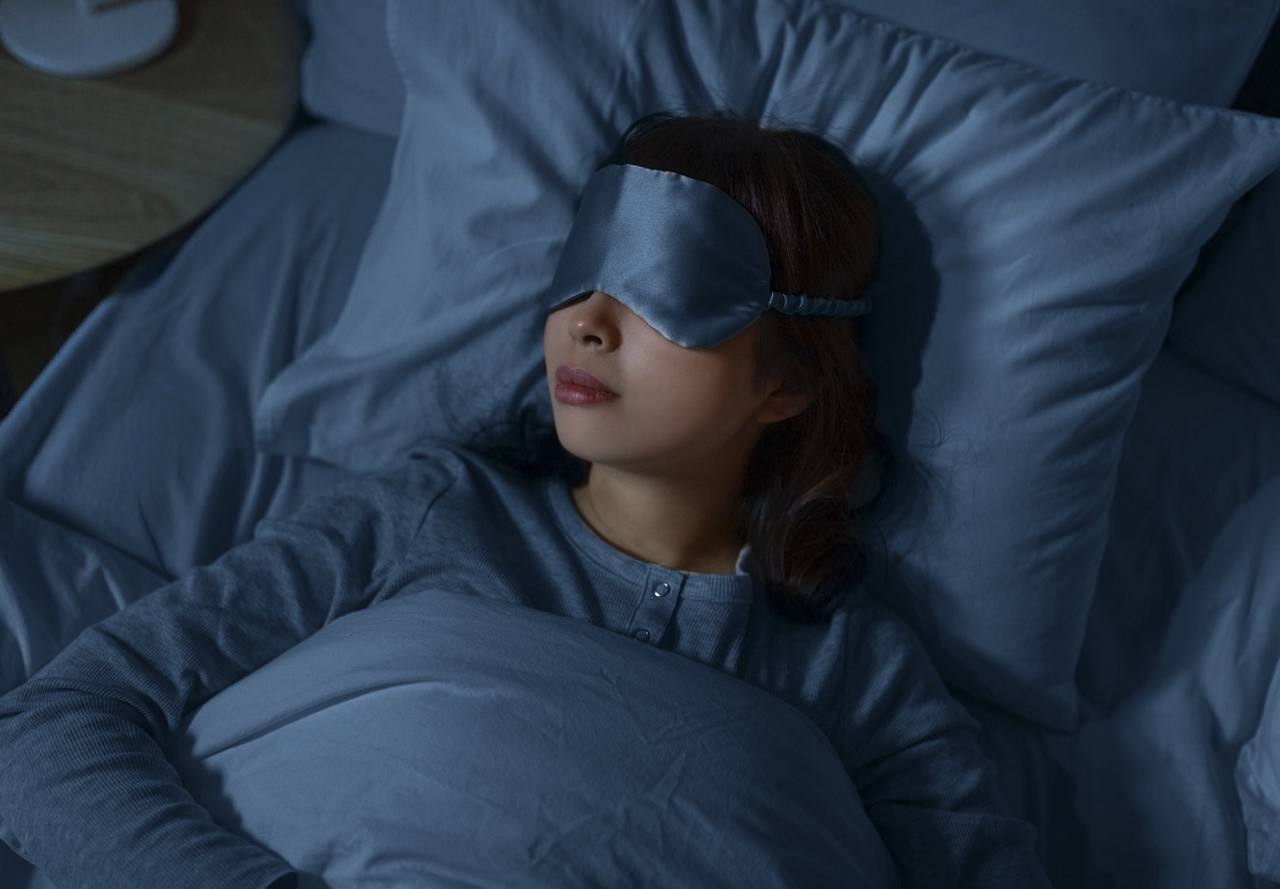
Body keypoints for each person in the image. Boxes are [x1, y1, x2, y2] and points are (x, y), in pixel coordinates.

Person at [0, 110, 1052, 889]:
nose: (587, 324)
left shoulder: (852, 669)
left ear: (787, 381)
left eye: (663, 293)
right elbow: (51, 724)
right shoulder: (429, 512)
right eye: (581, 277)